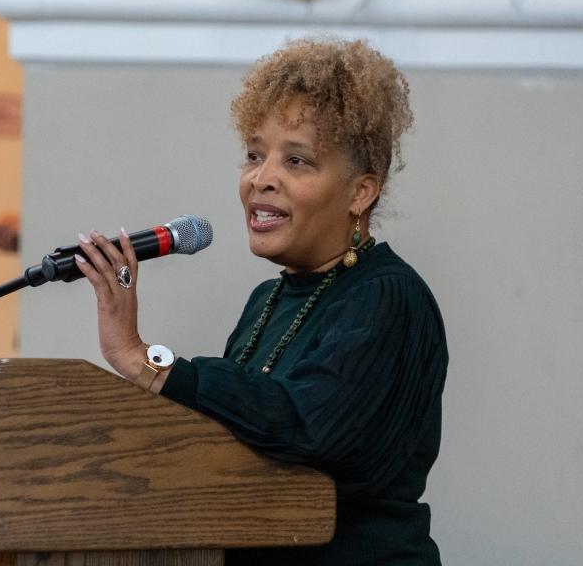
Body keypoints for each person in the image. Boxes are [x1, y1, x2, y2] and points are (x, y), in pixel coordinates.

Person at [73, 37, 448, 565]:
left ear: (361, 192)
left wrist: (147, 360)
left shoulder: (387, 297)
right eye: (254, 155)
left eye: (297, 160)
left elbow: (307, 429)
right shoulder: (266, 301)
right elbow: (230, 444)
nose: (261, 179)